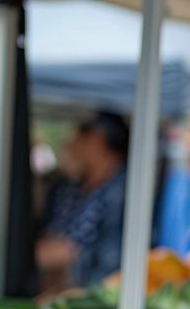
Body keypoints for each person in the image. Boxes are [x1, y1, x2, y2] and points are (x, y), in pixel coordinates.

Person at [36, 111, 129, 290]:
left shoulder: (119, 188)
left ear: (96, 139)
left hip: (103, 293)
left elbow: (69, 248)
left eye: (76, 140)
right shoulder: (78, 186)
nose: (69, 147)